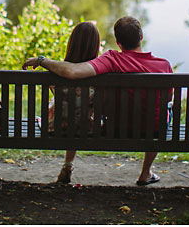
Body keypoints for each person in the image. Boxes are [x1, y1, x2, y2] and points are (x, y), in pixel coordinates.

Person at [23, 16, 173, 186]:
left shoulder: (112, 60)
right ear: (140, 36)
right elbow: (168, 98)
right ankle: (145, 173)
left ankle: (68, 164)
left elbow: (73, 72)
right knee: (166, 110)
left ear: (117, 41)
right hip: (152, 131)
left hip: (117, 128)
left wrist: (42, 60)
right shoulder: (163, 66)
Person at [22, 21, 100, 184]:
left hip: (54, 127)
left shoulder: (58, 72)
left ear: (71, 43)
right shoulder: (99, 74)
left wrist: (41, 60)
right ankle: (68, 164)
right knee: (78, 115)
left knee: (68, 112)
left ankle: (67, 165)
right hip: (87, 129)